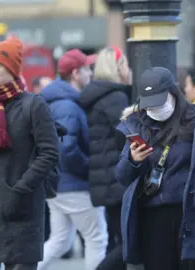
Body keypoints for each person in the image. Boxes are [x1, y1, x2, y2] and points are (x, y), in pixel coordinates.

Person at [115, 67, 195, 270]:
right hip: (154, 217)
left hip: (192, 213)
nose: (154, 109)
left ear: (173, 93)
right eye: (149, 105)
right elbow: (122, 177)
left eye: (158, 103)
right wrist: (133, 159)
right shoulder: (138, 124)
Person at [0, 36, 59, 270]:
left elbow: (49, 152)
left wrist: (20, 188)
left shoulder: (33, 105)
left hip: (22, 207)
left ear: (11, 70)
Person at [38, 49, 108, 270]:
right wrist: (90, 167)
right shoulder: (67, 104)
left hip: (57, 184)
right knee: (97, 238)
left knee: (61, 240)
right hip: (74, 186)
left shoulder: (56, 100)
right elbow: (66, 149)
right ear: (76, 73)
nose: (90, 74)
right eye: (87, 69)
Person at [79, 46, 132, 270]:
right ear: (118, 67)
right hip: (117, 180)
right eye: (126, 65)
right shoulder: (116, 97)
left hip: (105, 181)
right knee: (130, 242)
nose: (129, 70)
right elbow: (126, 135)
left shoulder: (98, 95)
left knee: (116, 240)